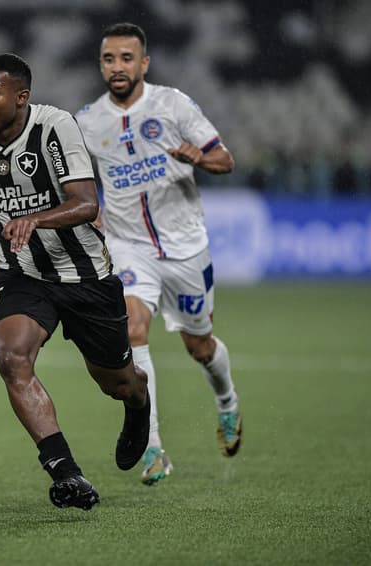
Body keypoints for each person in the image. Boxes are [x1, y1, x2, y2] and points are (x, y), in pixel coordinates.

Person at [0, 53, 150, 510]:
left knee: (115, 382)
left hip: (84, 275)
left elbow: (85, 203)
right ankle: (66, 472)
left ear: (22, 97)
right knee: (11, 355)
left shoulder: (54, 128)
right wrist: (6, 217)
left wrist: (31, 218)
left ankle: (139, 402)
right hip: (20, 270)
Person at [76, 23, 243, 486]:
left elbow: (224, 158)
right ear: (102, 64)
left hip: (186, 247)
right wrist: (87, 211)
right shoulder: (87, 121)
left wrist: (199, 159)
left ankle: (226, 400)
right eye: (109, 59)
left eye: (127, 58)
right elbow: (72, 179)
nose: (118, 67)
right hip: (129, 247)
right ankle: (153, 449)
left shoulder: (173, 104)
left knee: (200, 346)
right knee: (132, 331)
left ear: (143, 63)